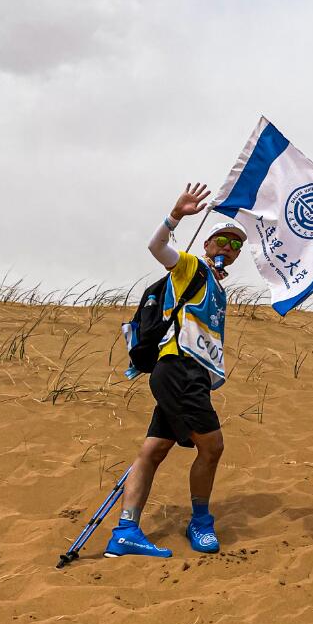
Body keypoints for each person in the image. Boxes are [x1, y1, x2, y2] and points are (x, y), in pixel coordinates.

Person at [105, 182, 244, 558]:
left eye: (235, 246)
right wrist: (176, 215)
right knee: (212, 447)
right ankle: (200, 522)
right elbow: (157, 248)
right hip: (180, 369)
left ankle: (125, 532)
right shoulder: (191, 266)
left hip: (186, 374)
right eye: (222, 241)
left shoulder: (216, 285)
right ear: (207, 244)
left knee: (153, 450)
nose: (228, 248)